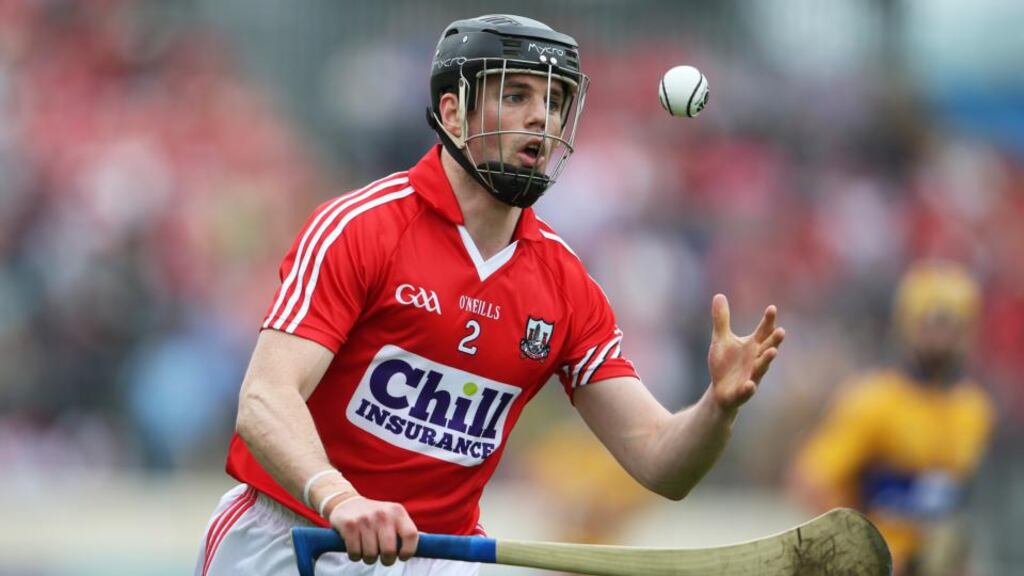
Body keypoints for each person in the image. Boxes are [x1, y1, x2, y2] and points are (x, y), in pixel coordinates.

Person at [195, 14, 785, 576]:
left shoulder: (567, 287)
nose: (541, 119)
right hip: (293, 538)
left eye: (555, 103)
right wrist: (339, 499)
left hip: (440, 555)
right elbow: (265, 399)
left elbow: (661, 462)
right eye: (517, 95)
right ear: (452, 113)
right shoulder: (362, 227)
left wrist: (717, 408)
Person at [790, 261, 994, 576]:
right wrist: (858, 551)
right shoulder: (872, 400)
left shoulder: (974, 409)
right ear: (907, 325)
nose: (942, 336)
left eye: (952, 324)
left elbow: (956, 504)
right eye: (932, 323)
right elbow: (810, 481)